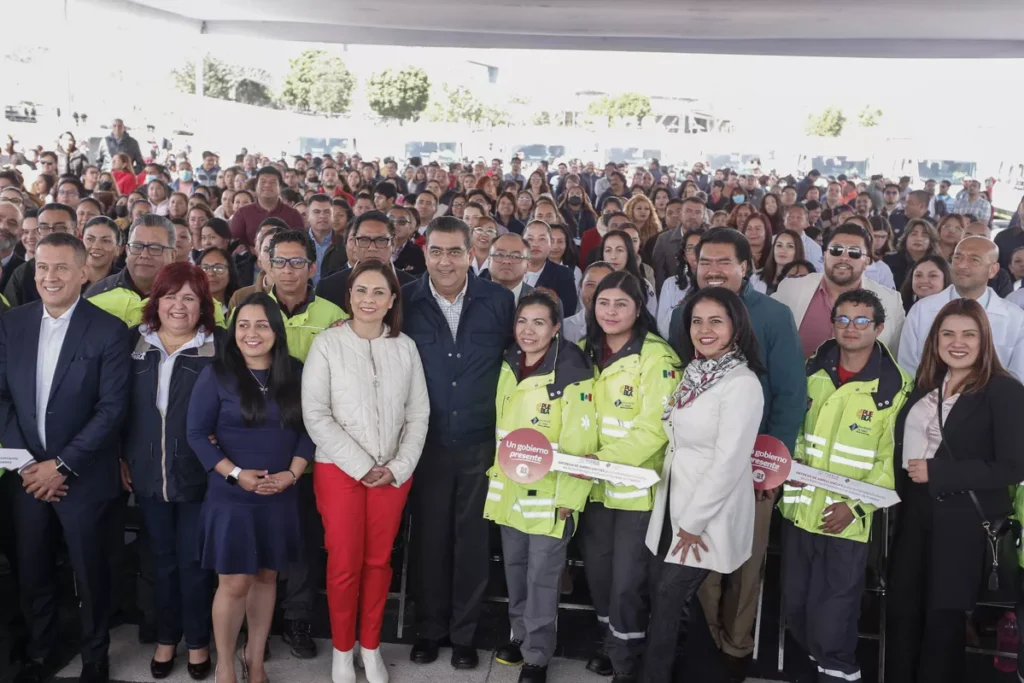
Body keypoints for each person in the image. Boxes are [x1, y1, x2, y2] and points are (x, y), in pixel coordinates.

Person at [665, 228, 806, 681]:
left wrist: (772, 468)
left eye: (724, 261)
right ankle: (706, 644)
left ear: (746, 266)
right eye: (705, 261)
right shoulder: (685, 313)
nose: (713, 269)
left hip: (752, 466)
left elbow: (790, 394)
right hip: (697, 467)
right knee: (699, 559)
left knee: (745, 561)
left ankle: (736, 646)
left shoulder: (774, 315)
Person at [0, 232, 131, 683]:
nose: (49, 276)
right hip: (26, 476)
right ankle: (42, 653)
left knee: (90, 572)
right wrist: (27, 465)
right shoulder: (11, 324)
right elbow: (2, 398)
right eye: (42, 267)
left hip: (84, 476)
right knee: (32, 570)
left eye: (60, 267)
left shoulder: (109, 330)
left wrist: (61, 466)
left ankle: (95, 657)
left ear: (83, 273)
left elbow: (112, 408)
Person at [302, 260, 429, 683]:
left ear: (392, 300)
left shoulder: (405, 347)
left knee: (378, 562)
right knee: (343, 563)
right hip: (339, 470)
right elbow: (316, 414)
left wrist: (398, 466)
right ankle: (342, 650)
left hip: (392, 473)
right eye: (361, 290)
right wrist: (360, 465)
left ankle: (370, 647)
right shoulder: (328, 344)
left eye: (378, 292)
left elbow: (418, 415)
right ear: (349, 296)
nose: (368, 300)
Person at [887, 298, 1024, 683]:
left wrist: (940, 472)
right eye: (947, 333)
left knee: (942, 622)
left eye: (969, 334)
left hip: (963, 525)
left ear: (985, 341)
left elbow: (1014, 466)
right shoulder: (925, 387)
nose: (957, 342)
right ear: (935, 340)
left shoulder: (1004, 391)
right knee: (903, 611)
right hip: (914, 515)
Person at [779, 290, 912, 683]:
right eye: (843, 319)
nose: (851, 328)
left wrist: (854, 508)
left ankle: (838, 671)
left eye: (862, 321)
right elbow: (791, 430)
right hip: (798, 513)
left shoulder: (894, 388)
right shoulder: (811, 371)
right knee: (796, 608)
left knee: (833, 619)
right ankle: (822, 666)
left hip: (846, 524)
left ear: (879, 328)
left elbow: (889, 464)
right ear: (833, 324)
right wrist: (788, 463)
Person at [402, 216, 514, 669]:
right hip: (425, 443)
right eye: (436, 251)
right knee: (429, 540)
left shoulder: (499, 301)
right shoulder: (405, 301)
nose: (444, 261)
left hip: (480, 442)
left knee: (472, 543)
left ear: (472, 254)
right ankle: (430, 630)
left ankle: (465, 635)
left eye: (454, 252)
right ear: (424, 253)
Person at [186, 292, 313, 683]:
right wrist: (235, 474)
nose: (251, 333)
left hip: (280, 493)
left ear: (277, 330)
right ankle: (225, 665)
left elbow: (310, 430)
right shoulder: (217, 374)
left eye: (261, 325)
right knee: (235, 581)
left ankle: (254, 659)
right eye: (243, 325)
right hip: (232, 496)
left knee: (267, 578)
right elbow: (196, 434)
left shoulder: (296, 372)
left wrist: (292, 474)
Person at [643, 286, 765, 683]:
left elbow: (729, 462)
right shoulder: (696, 373)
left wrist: (693, 523)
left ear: (736, 327)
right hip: (676, 500)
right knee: (671, 599)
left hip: (706, 513)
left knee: (669, 597)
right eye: (697, 321)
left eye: (716, 321)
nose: (704, 329)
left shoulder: (741, 383)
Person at [486, 290, 598, 683]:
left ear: (555, 329)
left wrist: (570, 498)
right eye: (522, 321)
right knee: (515, 571)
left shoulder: (571, 369)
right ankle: (519, 636)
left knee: (543, 578)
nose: (528, 331)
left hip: (552, 496)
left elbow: (582, 442)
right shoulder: (508, 363)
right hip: (510, 490)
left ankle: (537, 655)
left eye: (538, 323)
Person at [578, 271, 680, 681]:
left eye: (621, 303)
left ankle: (627, 663)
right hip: (592, 487)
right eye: (603, 302)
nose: (611, 311)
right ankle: (611, 644)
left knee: (627, 582)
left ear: (639, 309)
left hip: (636, 490)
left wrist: (601, 460)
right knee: (599, 574)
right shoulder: (584, 349)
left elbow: (655, 427)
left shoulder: (658, 356)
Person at [121, 263, 219, 681]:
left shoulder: (218, 346)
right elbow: (115, 404)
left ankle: (197, 641)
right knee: (159, 561)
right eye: (170, 296)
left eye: (189, 297)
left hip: (200, 475)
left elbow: (237, 403)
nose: (179, 305)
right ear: (156, 300)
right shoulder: (133, 342)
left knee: (194, 562)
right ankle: (166, 637)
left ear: (203, 305)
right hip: (146, 473)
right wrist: (121, 454)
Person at [899, 236, 1024, 381]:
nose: (962, 265)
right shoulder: (922, 310)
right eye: (957, 258)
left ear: (993, 270)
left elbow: (1018, 376)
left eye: (974, 260)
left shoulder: (1016, 318)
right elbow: (907, 367)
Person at [773, 222, 905, 358]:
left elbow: (894, 359)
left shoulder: (891, 302)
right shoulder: (790, 289)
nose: (844, 258)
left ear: (866, 261)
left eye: (854, 252)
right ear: (825, 256)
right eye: (836, 250)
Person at [87, 214, 175, 326]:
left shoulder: (185, 300)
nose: (144, 255)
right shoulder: (96, 296)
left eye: (155, 248)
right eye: (137, 246)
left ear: (173, 255)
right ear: (127, 250)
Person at [316, 211, 416, 309]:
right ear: (354, 244)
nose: (372, 248)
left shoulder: (413, 288)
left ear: (393, 243)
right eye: (364, 240)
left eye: (381, 240)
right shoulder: (328, 288)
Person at [229, 167, 304, 251]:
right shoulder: (242, 213)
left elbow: (300, 245)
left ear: (280, 187)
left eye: (273, 182)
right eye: (263, 181)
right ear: (256, 186)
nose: (267, 185)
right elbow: (235, 244)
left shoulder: (293, 214)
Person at [522, 220, 579, 315]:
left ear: (550, 244)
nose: (535, 244)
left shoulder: (564, 275)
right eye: (530, 239)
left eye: (542, 239)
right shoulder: (510, 269)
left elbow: (568, 312)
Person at [651, 197, 705, 293]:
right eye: (688, 211)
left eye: (698, 212)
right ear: (681, 214)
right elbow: (658, 273)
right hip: (673, 292)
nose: (693, 216)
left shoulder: (711, 239)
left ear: (703, 216)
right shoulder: (664, 239)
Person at [564, 261, 614, 344]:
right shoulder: (564, 328)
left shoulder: (626, 328)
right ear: (580, 288)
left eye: (605, 285)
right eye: (590, 285)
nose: (596, 292)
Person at [884, 219, 940, 290]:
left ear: (930, 242)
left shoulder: (938, 264)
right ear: (905, 239)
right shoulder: (889, 261)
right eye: (914, 234)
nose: (918, 239)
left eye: (924, 235)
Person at [486, 233, 534, 304]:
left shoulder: (541, 301)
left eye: (515, 256)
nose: (506, 261)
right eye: (500, 255)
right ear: (489, 260)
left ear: (528, 265)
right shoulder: (472, 295)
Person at [198, 247, 240, 316]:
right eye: (205, 268)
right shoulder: (192, 308)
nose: (211, 273)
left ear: (230, 272)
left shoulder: (240, 308)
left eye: (219, 268)